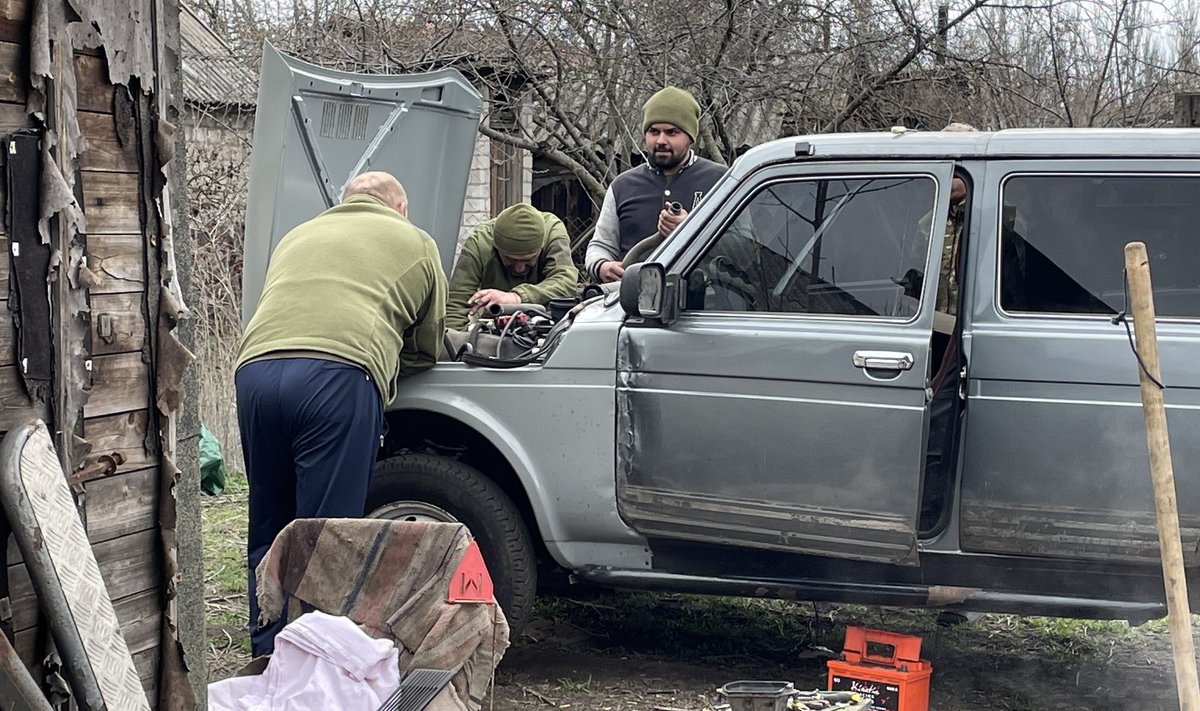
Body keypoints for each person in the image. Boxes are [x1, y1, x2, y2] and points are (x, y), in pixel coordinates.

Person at [234, 171, 447, 657]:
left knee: (271, 522)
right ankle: (317, 660)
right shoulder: (414, 240)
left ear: (345, 203)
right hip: (335, 377)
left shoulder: (299, 234)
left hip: (255, 373)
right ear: (399, 209)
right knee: (328, 534)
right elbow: (429, 344)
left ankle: (268, 653)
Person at [585, 86, 726, 283]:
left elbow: (744, 251)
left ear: (690, 137)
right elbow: (601, 245)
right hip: (631, 305)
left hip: (703, 303)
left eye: (671, 132)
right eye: (654, 131)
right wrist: (601, 265)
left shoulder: (720, 181)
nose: (661, 140)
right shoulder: (622, 186)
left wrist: (691, 228)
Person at [446, 202, 578, 328]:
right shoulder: (480, 243)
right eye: (510, 259)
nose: (519, 268)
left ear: (541, 247)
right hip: (496, 323)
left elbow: (566, 281)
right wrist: (455, 345)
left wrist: (516, 297)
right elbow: (457, 304)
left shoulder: (552, 232)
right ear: (496, 248)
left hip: (548, 321)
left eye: (529, 259)